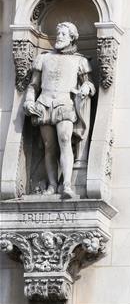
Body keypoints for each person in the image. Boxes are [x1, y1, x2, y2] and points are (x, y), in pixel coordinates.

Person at [22, 22, 95, 199]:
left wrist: (86, 88)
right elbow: (33, 85)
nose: (59, 37)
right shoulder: (43, 58)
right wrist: (29, 100)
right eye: (58, 33)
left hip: (65, 104)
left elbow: (89, 83)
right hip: (44, 103)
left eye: (63, 34)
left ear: (72, 38)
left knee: (65, 139)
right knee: (49, 146)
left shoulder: (80, 60)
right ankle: (52, 185)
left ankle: (67, 184)